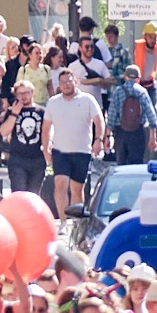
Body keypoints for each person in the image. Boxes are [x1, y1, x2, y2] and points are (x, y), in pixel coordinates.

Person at [44, 67, 107, 218]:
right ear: (59, 85)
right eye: (62, 82)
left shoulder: (87, 100)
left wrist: (98, 140)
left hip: (82, 151)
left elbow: (99, 121)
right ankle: (64, 221)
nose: (66, 85)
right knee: (60, 183)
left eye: (69, 81)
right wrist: (46, 148)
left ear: (76, 82)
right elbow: (46, 127)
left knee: (77, 189)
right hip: (60, 151)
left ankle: (75, 221)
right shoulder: (53, 102)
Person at [108, 64, 157, 167]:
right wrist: (153, 137)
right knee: (136, 165)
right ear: (138, 79)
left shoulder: (118, 91)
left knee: (121, 165)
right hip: (138, 132)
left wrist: (107, 136)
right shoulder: (142, 92)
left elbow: (112, 115)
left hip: (120, 131)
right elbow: (151, 115)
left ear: (125, 77)